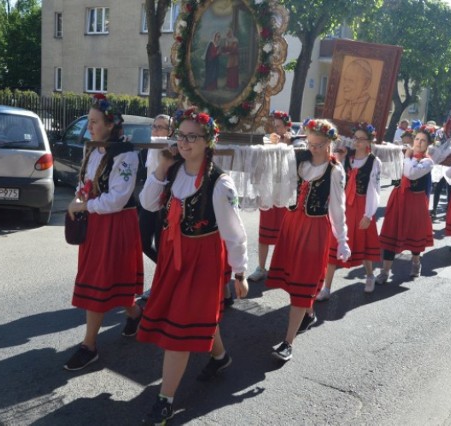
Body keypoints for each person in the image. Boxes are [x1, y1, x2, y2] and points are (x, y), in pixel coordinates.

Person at [137, 107, 248, 424]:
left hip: (202, 260)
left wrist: (239, 273)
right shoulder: (171, 169)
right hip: (173, 255)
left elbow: (234, 232)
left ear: (208, 141)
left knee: (178, 327)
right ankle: (221, 357)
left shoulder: (220, 183)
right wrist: (160, 168)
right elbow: (147, 203)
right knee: (195, 315)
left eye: (191, 137)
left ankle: (165, 399)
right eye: (180, 135)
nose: (183, 142)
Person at [63, 94, 144, 371]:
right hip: (97, 222)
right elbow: (85, 182)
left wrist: (85, 204)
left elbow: (117, 199)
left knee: (99, 282)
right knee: (108, 279)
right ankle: (135, 313)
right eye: (89, 121)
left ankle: (89, 346)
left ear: (110, 124)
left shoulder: (126, 155)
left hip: (117, 223)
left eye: (94, 122)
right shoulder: (95, 149)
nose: (89, 127)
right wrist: (78, 201)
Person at [266, 118, 350, 362]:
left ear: (329, 144)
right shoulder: (298, 160)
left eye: (318, 144)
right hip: (292, 225)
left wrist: (342, 240)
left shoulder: (335, 170)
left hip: (314, 231)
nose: (312, 148)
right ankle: (309, 312)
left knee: (303, 281)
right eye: (310, 143)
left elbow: (338, 208)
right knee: (295, 280)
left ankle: (288, 342)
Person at [317, 122, 381, 301]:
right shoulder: (346, 156)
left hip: (361, 206)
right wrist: (340, 156)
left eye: (362, 139)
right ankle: (327, 287)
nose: (357, 142)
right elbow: (333, 173)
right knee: (334, 243)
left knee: (363, 243)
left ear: (369, 141)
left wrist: (368, 214)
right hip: (344, 204)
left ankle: (369, 275)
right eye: (356, 138)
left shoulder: (374, 162)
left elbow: (373, 189)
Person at [376, 125, 435, 284]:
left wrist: (407, 157)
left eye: (423, 141)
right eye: (417, 139)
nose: (418, 142)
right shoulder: (404, 154)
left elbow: (411, 173)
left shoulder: (428, 161)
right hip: (399, 198)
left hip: (415, 202)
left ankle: (416, 262)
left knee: (414, 234)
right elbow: (389, 170)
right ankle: (385, 271)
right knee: (391, 232)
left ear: (428, 144)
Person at [248, 110, 294, 282]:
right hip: (269, 192)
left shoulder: (295, 141)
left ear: (287, 126)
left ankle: (284, 268)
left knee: (286, 235)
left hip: (285, 194)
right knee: (264, 233)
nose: (276, 129)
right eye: (274, 126)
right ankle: (261, 268)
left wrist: (286, 143)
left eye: (279, 126)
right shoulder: (270, 141)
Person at [140, 114, 174, 265]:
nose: (155, 130)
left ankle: (164, 278)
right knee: (143, 243)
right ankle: (163, 269)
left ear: (170, 131)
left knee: (162, 246)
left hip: (165, 204)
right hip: (149, 202)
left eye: (160, 127)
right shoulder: (150, 147)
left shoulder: (173, 150)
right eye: (154, 126)